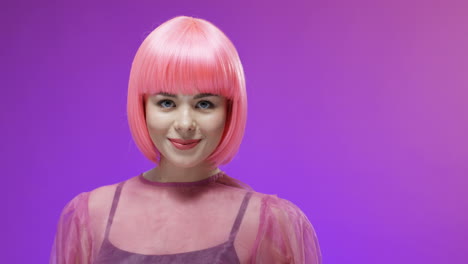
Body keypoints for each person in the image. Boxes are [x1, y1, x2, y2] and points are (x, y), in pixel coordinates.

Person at [50, 16, 322, 264]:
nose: (184, 124)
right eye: (166, 102)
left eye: (204, 104)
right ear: (142, 106)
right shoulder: (88, 217)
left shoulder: (271, 224)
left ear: (229, 109)